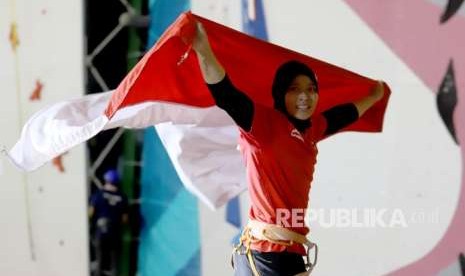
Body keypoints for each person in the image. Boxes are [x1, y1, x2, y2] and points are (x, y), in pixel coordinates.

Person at [190, 22, 385, 276]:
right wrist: (203, 50)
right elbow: (226, 95)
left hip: (276, 252)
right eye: (295, 90)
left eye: (311, 90)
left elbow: (342, 115)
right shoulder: (261, 124)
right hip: (268, 254)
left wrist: (373, 96)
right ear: (280, 94)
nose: (305, 96)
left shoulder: (312, 128)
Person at [89, 169, 129, 276]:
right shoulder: (123, 197)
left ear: (106, 180)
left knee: (100, 262)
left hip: (101, 231)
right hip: (115, 232)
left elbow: (91, 213)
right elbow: (125, 219)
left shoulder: (98, 194)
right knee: (115, 264)